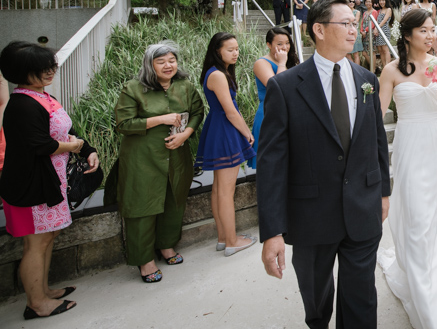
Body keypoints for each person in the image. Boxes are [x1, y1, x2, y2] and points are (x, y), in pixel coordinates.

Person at [258, 0, 390, 329]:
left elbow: (376, 141)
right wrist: (272, 230)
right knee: (316, 299)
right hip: (311, 216)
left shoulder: (367, 80)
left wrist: (383, 192)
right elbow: (272, 162)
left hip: (362, 207)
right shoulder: (285, 87)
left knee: (361, 298)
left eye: (354, 23)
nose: (353, 29)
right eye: (345, 23)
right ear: (318, 29)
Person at [0, 42, 100, 319]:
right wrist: (77, 147)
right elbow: (40, 145)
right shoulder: (21, 104)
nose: (49, 72)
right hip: (31, 186)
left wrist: (88, 149)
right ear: (20, 72)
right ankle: (37, 302)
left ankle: (43, 291)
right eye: (40, 69)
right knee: (36, 243)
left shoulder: (42, 96)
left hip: (49, 182)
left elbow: (67, 130)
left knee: (48, 237)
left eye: (50, 66)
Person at [375, 8, 437, 328]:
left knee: (435, 209)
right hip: (410, 145)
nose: (431, 35)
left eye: (433, 30)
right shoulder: (391, 70)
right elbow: (378, 114)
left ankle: (432, 264)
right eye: (424, 30)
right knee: (415, 212)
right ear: (407, 35)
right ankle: (422, 287)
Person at [114, 41, 204, 282]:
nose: (168, 65)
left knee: (174, 201)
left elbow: (197, 112)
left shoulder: (184, 86)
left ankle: (166, 246)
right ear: (149, 65)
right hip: (142, 159)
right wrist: (159, 119)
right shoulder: (133, 88)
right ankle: (145, 260)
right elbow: (122, 124)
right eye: (161, 61)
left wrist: (186, 134)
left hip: (177, 155)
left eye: (172, 60)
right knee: (142, 207)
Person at [195, 33, 258, 256]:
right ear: (217, 51)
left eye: (237, 49)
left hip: (218, 128)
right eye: (230, 49)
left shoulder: (215, 73)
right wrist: (247, 132)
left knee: (219, 190)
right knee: (225, 191)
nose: (236, 53)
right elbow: (230, 111)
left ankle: (224, 238)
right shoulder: (218, 75)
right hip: (225, 131)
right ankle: (232, 241)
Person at [250, 28, 298, 168]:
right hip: (269, 113)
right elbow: (277, 88)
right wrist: (282, 63)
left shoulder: (289, 61)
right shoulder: (262, 63)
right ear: (269, 44)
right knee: (270, 165)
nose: (285, 47)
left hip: (288, 114)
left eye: (287, 43)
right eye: (280, 44)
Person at [373, 0, 394, 72]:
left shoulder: (388, 9)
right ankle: (384, 67)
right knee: (380, 50)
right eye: (380, 0)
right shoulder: (380, 10)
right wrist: (376, 29)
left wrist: (376, 28)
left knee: (385, 49)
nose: (381, 2)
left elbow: (384, 21)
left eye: (383, 0)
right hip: (378, 31)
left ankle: (388, 67)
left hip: (384, 30)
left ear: (386, 1)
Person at [347, 0, 365, 65]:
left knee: (355, 54)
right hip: (346, 33)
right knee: (347, 53)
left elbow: (356, 21)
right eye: (350, 1)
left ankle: (357, 70)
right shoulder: (345, 12)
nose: (351, 3)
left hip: (354, 33)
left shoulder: (357, 12)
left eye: (353, 2)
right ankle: (352, 69)